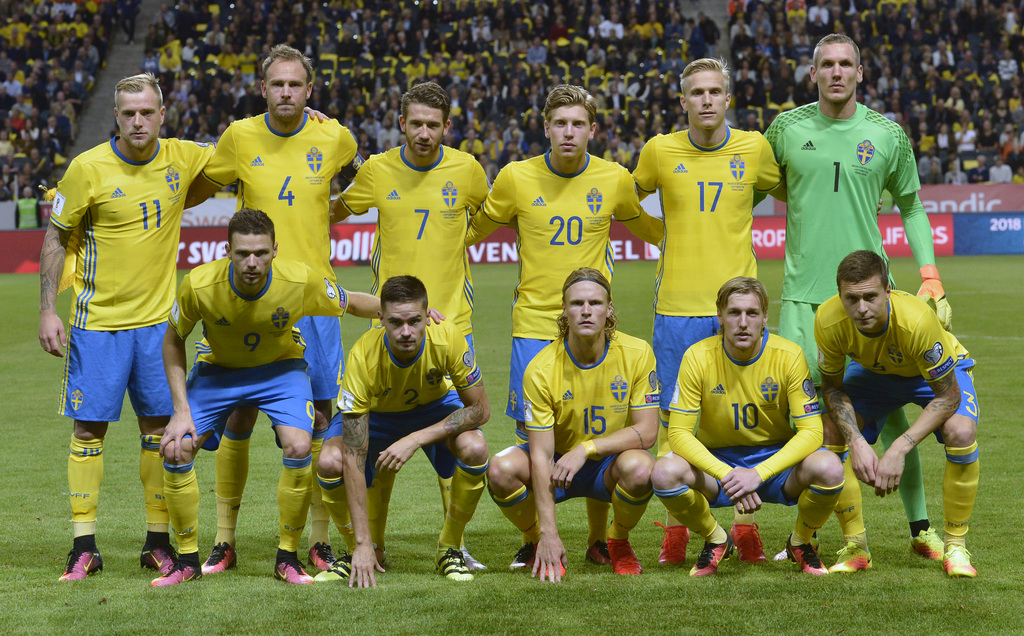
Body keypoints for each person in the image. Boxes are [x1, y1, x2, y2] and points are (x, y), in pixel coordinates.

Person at [764, 33, 949, 572]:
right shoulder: (787, 130)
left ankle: (920, 529)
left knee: (891, 421)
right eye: (827, 64)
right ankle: (844, 539)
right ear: (813, 73)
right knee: (822, 425)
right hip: (804, 301)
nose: (837, 72)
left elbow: (912, 206)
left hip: (876, 299)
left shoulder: (886, 134)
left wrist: (930, 272)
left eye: (847, 64)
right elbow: (753, 187)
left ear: (861, 72)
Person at [185, 44, 363, 575]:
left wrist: (334, 209)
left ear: (310, 91)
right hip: (253, 294)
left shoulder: (335, 136)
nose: (286, 92)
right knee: (239, 412)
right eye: (277, 84)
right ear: (263, 89)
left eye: (295, 85)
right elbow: (202, 186)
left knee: (321, 418)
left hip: (315, 300)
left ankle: (318, 540)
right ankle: (225, 540)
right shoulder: (238, 138)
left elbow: (355, 176)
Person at [467, 84, 663, 567]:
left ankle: (599, 539)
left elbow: (649, 228)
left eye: (578, 123)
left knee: (598, 429)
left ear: (592, 129)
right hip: (533, 328)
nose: (569, 132)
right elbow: (473, 229)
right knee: (537, 440)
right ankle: (538, 536)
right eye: (560, 123)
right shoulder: (515, 178)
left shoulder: (615, 179)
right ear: (546, 127)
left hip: (592, 323)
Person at [38, 72, 215, 581]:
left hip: (159, 328)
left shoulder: (182, 157)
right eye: (128, 113)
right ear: (116, 116)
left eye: (147, 112)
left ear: (163, 114)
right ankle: (83, 546)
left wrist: (307, 119)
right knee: (88, 430)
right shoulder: (86, 168)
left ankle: (156, 542)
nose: (138, 121)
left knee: (159, 433)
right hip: (97, 326)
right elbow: (55, 237)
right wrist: (49, 309)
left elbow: (242, 147)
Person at [155, 208, 379, 586]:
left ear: (275, 249)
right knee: (177, 446)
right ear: (227, 250)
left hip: (280, 369)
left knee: (298, 445)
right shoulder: (198, 285)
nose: (252, 262)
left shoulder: (299, 279)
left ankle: (287, 557)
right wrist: (180, 411)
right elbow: (173, 340)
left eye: (261, 252)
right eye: (242, 253)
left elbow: (353, 302)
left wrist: (408, 313)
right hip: (219, 371)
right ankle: (188, 559)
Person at [330, 81, 490, 571]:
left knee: (459, 435)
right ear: (401, 123)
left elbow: (489, 217)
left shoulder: (467, 170)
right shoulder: (378, 171)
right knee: (378, 425)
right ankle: (370, 542)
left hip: (449, 325)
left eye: (433, 124)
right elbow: (334, 211)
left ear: (448, 126)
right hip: (395, 322)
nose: (424, 132)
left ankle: (452, 545)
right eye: (415, 123)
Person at [633, 57, 784, 566]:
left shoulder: (754, 147)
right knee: (679, 425)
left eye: (715, 91)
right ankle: (680, 531)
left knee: (740, 422)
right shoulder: (658, 151)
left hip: (739, 309)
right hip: (676, 309)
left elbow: (785, 188)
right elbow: (629, 201)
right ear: (683, 101)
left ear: (726, 98)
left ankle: (745, 527)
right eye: (696, 92)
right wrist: (662, 236)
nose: (706, 100)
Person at [652, 277, 843, 576]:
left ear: (765, 317)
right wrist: (728, 474)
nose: (743, 323)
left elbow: (812, 432)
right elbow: (677, 434)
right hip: (719, 466)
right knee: (664, 472)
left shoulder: (788, 355)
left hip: (775, 465)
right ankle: (717, 539)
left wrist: (758, 474)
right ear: (720, 317)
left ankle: (800, 542)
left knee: (830, 467)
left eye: (752, 313)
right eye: (734, 313)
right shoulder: (697, 357)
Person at [315, 275, 490, 587]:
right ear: (380, 318)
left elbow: (480, 410)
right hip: (378, 415)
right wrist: (362, 544)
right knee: (329, 462)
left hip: (433, 408)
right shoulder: (363, 356)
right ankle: (361, 549)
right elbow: (354, 454)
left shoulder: (447, 336)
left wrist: (415, 438)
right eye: (396, 323)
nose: (406, 332)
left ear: (427, 316)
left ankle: (450, 548)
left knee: (475, 448)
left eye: (414, 321)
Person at [815, 251, 979, 577]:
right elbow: (832, 389)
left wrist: (900, 446)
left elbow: (948, 395)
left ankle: (956, 547)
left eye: (870, 297)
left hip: (931, 376)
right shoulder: (828, 319)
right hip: (876, 374)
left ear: (887, 291)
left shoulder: (916, 319)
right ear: (840, 295)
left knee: (960, 432)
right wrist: (857, 441)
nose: (861, 308)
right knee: (829, 431)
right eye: (852, 299)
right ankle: (856, 546)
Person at [487, 268, 659, 580]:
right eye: (577, 303)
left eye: (595, 303)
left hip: (606, 463)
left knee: (643, 468)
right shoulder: (540, 369)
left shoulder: (637, 353)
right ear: (564, 310)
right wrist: (550, 534)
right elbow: (540, 455)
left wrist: (587, 448)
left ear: (609, 310)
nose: (586, 311)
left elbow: (647, 432)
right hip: (555, 464)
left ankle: (615, 541)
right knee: (499, 469)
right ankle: (538, 540)